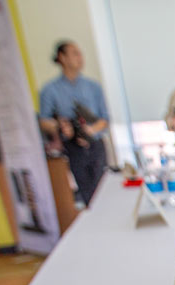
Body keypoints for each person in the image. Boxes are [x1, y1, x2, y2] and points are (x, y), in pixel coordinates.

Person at [39, 41, 109, 205]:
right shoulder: (50, 90)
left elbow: (105, 119)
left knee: (104, 191)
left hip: (95, 145)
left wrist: (90, 130)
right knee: (88, 195)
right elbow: (43, 121)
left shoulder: (93, 87)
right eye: (74, 53)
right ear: (62, 57)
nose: (80, 57)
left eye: (80, 53)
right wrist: (60, 126)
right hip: (73, 147)